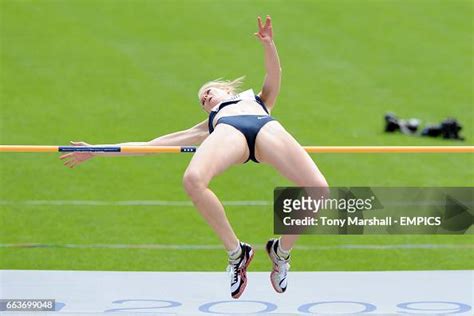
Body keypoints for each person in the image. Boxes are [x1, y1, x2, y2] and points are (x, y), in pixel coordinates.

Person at [60, 16, 328, 299]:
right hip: (230, 134)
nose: (205, 99)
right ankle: (237, 253)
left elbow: (274, 74)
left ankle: (281, 253)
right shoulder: (210, 124)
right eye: (202, 101)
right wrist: (99, 149)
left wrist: (268, 44)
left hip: (265, 128)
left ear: (226, 89)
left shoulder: (259, 100)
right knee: (193, 180)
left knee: (319, 189)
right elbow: (153, 144)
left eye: (208, 92)